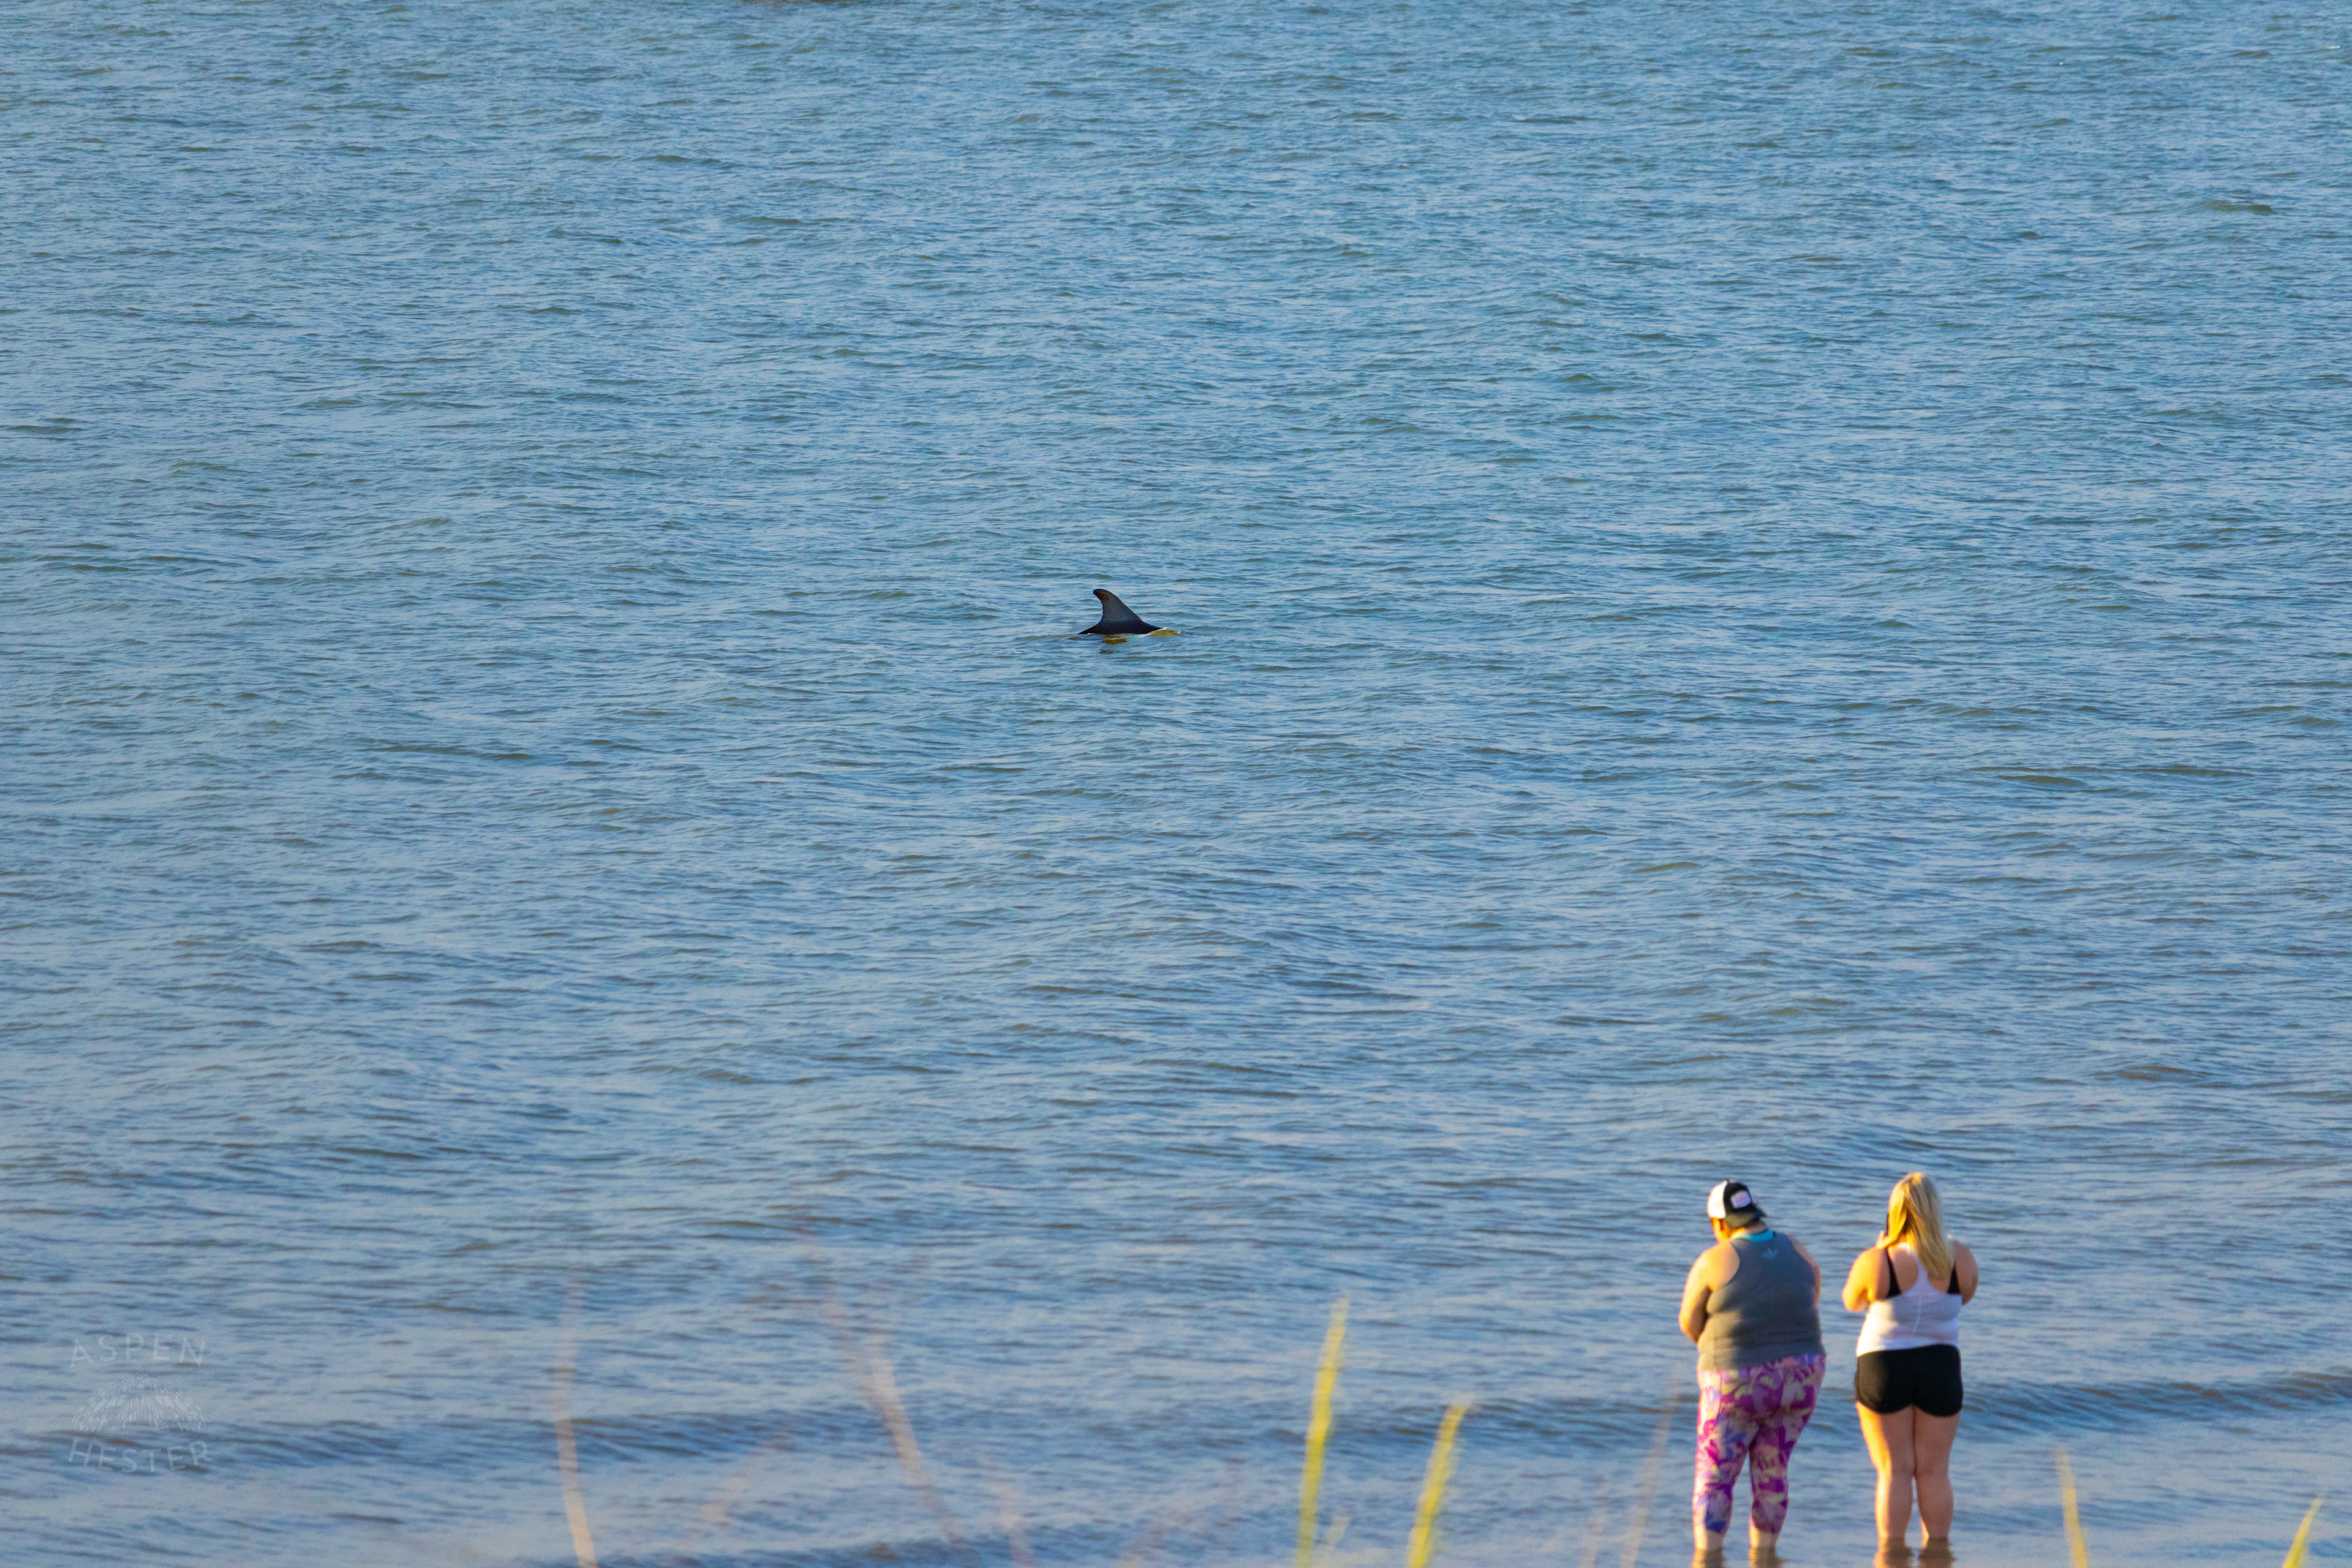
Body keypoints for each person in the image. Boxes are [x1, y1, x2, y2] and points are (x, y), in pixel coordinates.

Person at [1679, 1179, 1826, 1560]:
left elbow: (1688, 1321)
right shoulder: (1798, 1249)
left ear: (1719, 1225)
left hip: (1735, 1381)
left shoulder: (1714, 1259)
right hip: (1803, 1373)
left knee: (1715, 1480)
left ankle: (1708, 1559)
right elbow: (1812, 1296)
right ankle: (1766, 1556)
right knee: (1772, 1473)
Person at [1840, 1172, 1978, 1550]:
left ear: (1895, 1213)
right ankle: (1938, 1553)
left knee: (1894, 1470)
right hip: (1941, 1364)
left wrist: (1879, 1254)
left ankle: (1891, 1554)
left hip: (1884, 1364)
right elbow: (1964, 1298)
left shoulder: (1878, 1260)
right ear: (1936, 1211)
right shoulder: (1960, 1258)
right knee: (1934, 1471)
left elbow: (1851, 1300)